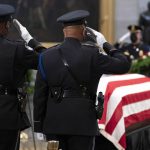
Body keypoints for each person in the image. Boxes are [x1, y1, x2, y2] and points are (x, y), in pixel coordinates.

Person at [33, 10, 130, 150]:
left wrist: (38, 125)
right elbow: (123, 65)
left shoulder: (46, 56)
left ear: (64, 31)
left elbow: (40, 94)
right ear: (84, 30)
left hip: (54, 123)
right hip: (83, 123)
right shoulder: (92, 54)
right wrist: (105, 44)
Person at [0, 4, 44, 150]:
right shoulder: (16, 49)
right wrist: (31, 41)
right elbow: (47, 61)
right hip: (6, 113)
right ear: (6, 25)